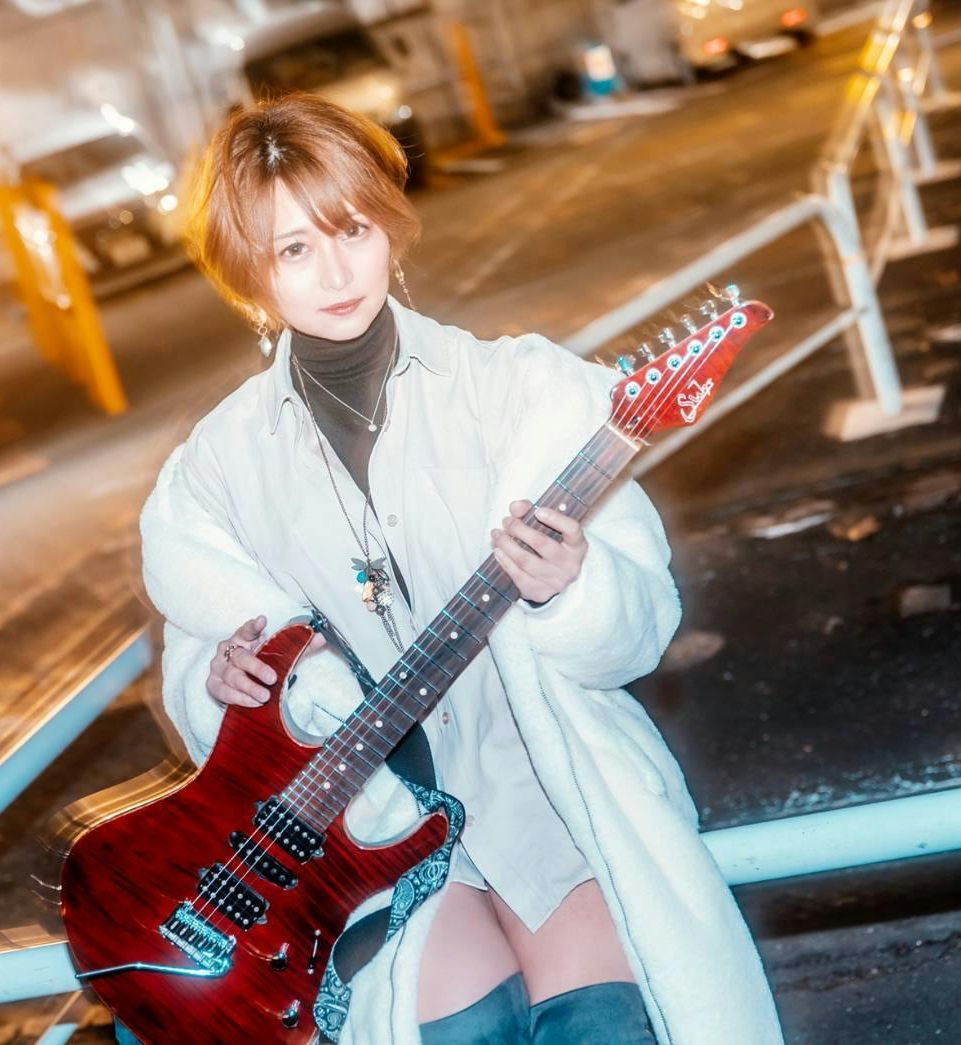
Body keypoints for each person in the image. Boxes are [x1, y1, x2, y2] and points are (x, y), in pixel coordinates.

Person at [132, 93, 784, 1044]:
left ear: (389, 227)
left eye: (351, 229)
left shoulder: (523, 390)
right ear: (249, 272)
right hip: (370, 834)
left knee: (602, 1027)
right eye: (293, 249)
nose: (335, 271)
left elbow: (637, 634)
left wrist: (572, 586)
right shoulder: (216, 464)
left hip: (548, 793)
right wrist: (221, 684)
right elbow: (198, 664)